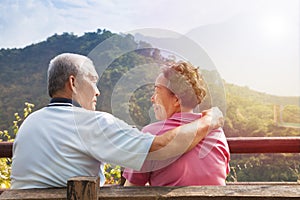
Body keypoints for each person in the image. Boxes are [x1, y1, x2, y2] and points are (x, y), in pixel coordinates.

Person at [10, 53, 224, 189]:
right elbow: (158, 148)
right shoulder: (93, 123)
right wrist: (208, 121)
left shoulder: (29, 122)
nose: (98, 91)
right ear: (73, 83)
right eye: (93, 80)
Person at [123, 61, 230, 186]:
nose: (152, 98)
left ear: (176, 100)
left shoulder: (151, 134)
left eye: (157, 91)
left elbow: (130, 191)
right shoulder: (216, 132)